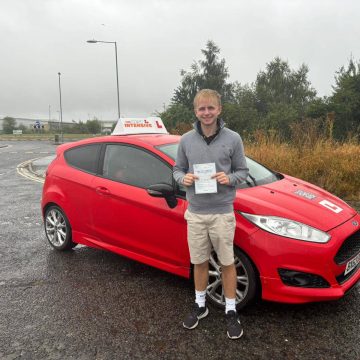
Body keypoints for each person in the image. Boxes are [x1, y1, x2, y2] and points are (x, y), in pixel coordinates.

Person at [173, 89, 249, 339]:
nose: (206, 113)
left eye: (210, 108)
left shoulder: (233, 138)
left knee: (227, 262)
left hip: (222, 213)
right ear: (195, 111)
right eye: (201, 108)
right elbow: (177, 170)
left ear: (219, 109)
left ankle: (230, 309)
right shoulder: (185, 140)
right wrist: (183, 178)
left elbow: (242, 171)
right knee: (199, 261)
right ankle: (200, 305)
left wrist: (229, 178)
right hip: (195, 213)